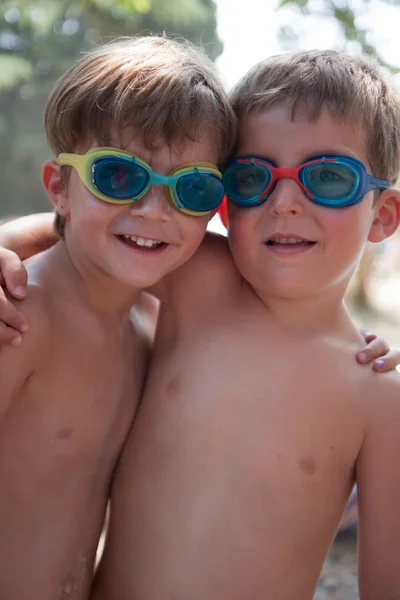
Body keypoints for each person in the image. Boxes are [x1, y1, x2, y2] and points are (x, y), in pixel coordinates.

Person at [0, 49, 400, 600]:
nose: (284, 202)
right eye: (252, 177)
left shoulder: (379, 393)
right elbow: (91, 229)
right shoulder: (199, 279)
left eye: (327, 179)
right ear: (223, 203)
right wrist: (4, 246)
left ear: (382, 215)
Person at [0, 35, 235, 600]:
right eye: (119, 176)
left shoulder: (150, 327)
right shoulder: (20, 319)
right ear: (60, 187)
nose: (154, 211)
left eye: (193, 188)